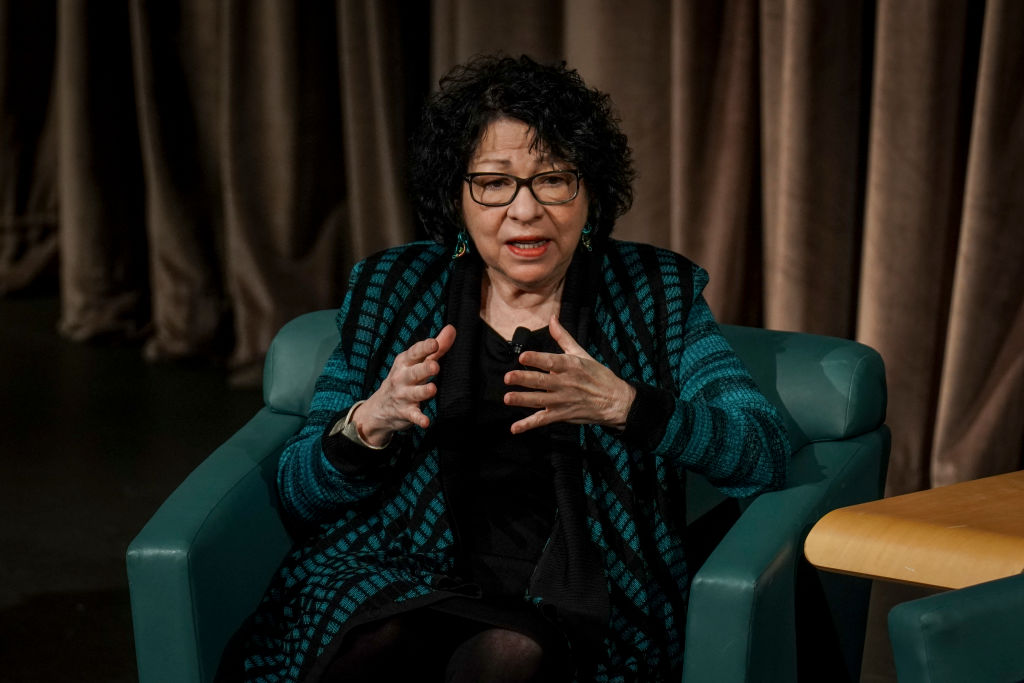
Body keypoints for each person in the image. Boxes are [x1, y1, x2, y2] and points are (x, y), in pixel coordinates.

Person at [220, 54, 789, 683]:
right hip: (399, 569)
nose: (524, 210)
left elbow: (762, 452)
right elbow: (299, 493)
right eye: (494, 183)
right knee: (373, 648)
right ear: (457, 197)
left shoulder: (656, 295)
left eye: (552, 179)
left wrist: (629, 407)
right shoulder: (392, 288)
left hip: (582, 592)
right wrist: (367, 424)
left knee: (507, 662)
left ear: (590, 192)